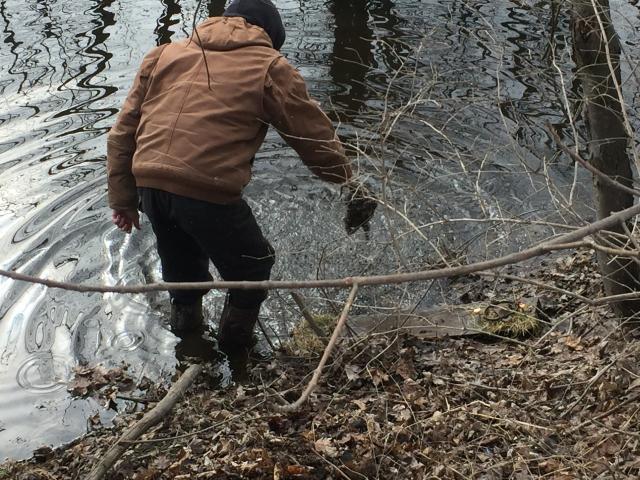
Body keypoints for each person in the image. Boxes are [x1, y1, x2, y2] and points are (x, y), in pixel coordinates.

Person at [106, 0, 375, 357]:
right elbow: (312, 137)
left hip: (150, 187)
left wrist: (123, 199)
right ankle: (237, 351)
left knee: (182, 271)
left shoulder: (163, 55)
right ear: (270, 35)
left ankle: (189, 346)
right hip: (207, 189)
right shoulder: (270, 66)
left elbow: (122, 134)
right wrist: (348, 180)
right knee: (253, 266)